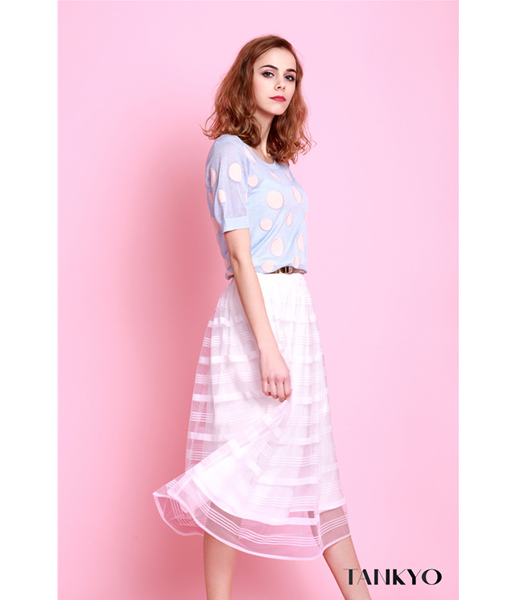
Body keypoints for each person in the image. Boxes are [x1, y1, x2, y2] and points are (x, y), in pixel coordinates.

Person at [153, 35, 373, 600]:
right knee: (230, 473)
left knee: (318, 469)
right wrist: (267, 347)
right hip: (256, 316)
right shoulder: (228, 152)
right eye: (269, 72)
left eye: (290, 76)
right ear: (245, 80)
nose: (281, 85)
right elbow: (241, 255)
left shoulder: (279, 163)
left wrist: (286, 339)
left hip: (296, 309)